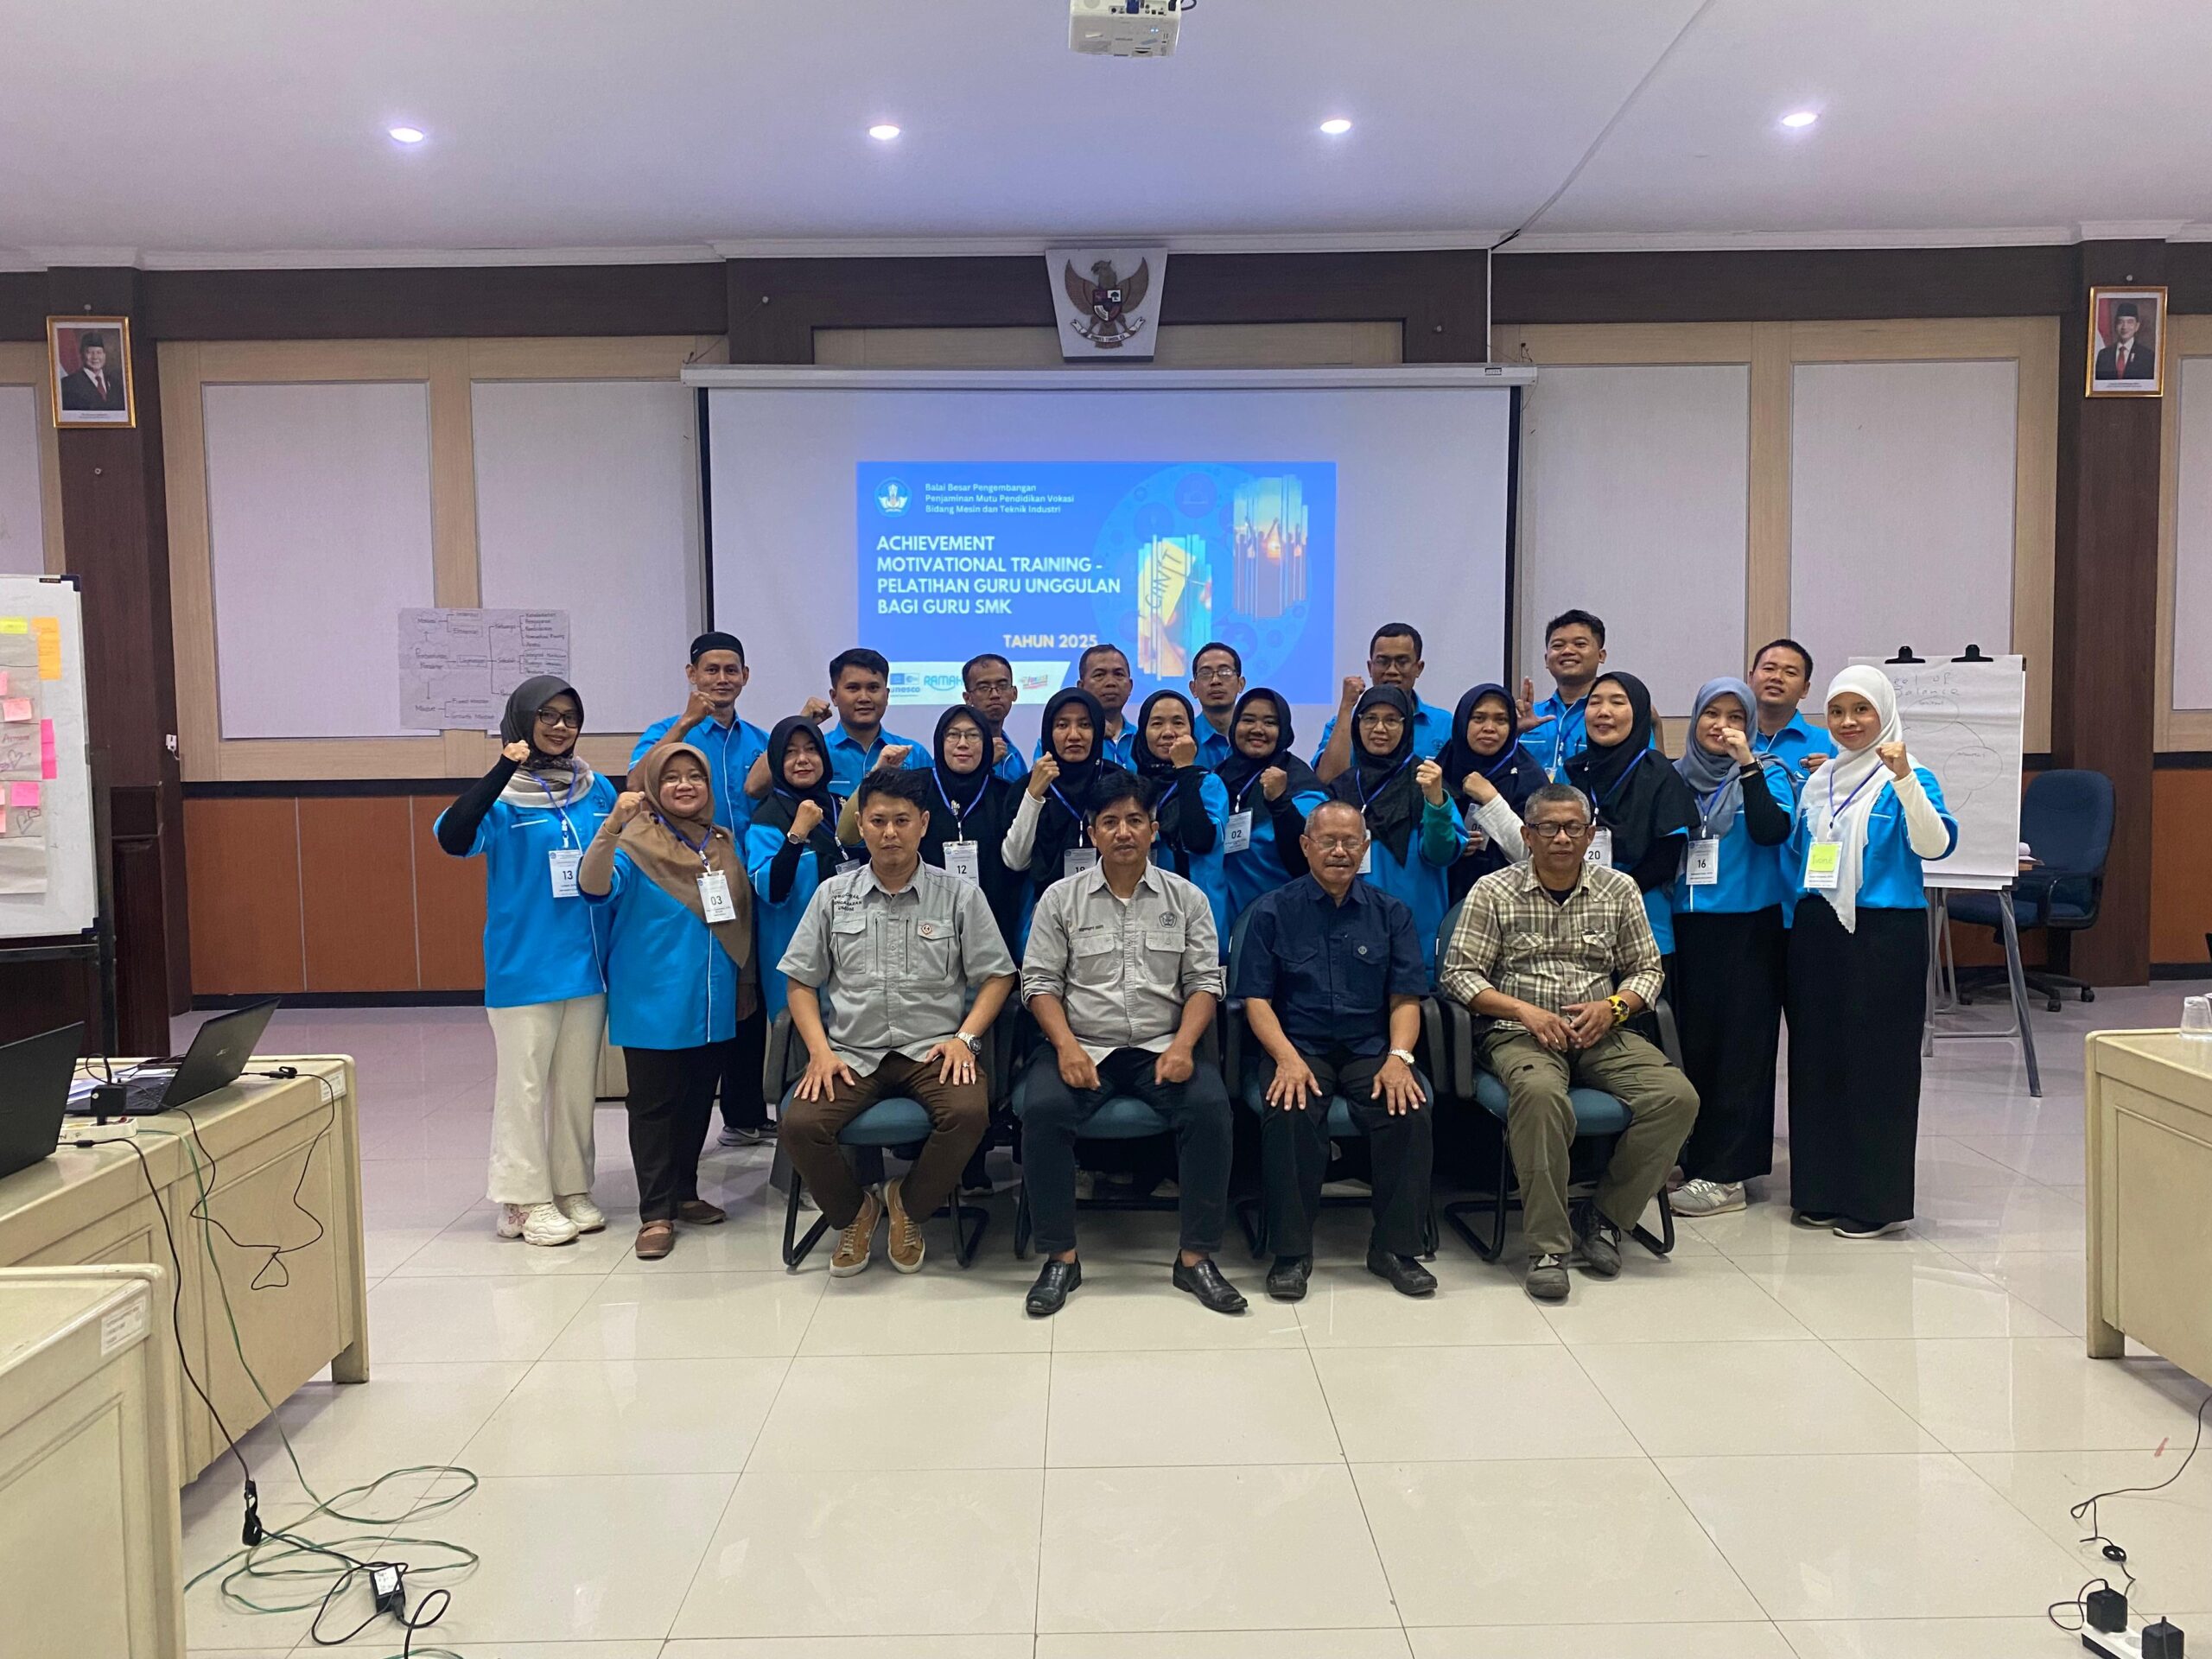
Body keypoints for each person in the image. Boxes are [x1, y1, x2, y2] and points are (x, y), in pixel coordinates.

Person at [1439, 785, 1699, 1303]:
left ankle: (1604, 1217)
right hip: (1521, 1033)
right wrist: (1523, 1010)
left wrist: (1615, 1008)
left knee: (1677, 1098)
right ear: (1527, 835)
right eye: (1549, 828)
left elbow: (1647, 970)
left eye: (1573, 828)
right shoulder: (1493, 890)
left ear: (1590, 834)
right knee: (1539, 1097)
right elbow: (1459, 976)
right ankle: (1547, 1249)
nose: (1562, 838)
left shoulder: (1619, 889)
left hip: (1603, 1030)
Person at [1017, 773, 1243, 1318]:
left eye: (1135, 820)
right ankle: (1061, 1258)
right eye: (1111, 822)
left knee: (1210, 1110)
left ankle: (1195, 1259)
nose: (1124, 832)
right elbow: (1039, 983)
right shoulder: (1060, 899)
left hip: (1162, 1045)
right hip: (1083, 1043)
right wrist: (1066, 1047)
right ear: (1092, 832)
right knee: (1044, 1111)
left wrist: (1185, 1046)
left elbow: (1203, 984)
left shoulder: (1187, 898)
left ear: (1153, 829)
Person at [778, 770, 1018, 1275]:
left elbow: (998, 975)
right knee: (800, 1124)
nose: (890, 833)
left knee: (969, 1113)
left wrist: (965, 1039)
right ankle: (855, 1213)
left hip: (932, 1050)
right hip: (851, 1051)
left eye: (902, 821)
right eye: (878, 821)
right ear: (861, 825)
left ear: (923, 824)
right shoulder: (832, 895)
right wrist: (819, 1052)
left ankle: (907, 1204)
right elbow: (800, 981)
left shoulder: (959, 895)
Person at [435, 677, 615, 1247]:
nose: (560, 726)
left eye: (570, 716)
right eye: (547, 715)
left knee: (575, 1088)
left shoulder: (595, 788)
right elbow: (452, 838)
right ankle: (522, 1199)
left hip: (586, 963)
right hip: (524, 964)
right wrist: (501, 769)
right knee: (525, 1087)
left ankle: (570, 1187)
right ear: (522, 720)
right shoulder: (503, 796)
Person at [1236, 800, 1437, 1301]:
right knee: (1289, 1108)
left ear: (1365, 847)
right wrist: (1285, 1058)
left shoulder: (1391, 913)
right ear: (1306, 846)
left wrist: (1399, 1059)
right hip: (1297, 1046)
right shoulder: (1271, 911)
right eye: (1328, 841)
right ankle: (1291, 1253)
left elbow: (1406, 999)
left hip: (1371, 1047)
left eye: (1351, 842)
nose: (1340, 852)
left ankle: (1394, 1248)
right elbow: (1256, 1000)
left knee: (1408, 1109)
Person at [1783, 667, 1955, 1240]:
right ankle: (1820, 1188)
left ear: (1884, 713)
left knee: (1879, 1064)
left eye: (1862, 710)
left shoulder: (1911, 775)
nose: (1849, 722)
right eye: (1837, 711)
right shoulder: (1820, 780)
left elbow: (1935, 844)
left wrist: (1903, 780)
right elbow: (1800, 853)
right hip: (1818, 927)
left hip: (1885, 932)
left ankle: (1876, 1201)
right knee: (1817, 1059)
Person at [579, 742, 756, 1260]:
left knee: (698, 1101)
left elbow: (741, 917)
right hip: (652, 998)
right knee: (654, 1106)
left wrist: (744, 984)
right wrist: (610, 829)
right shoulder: (633, 842)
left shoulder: (721, 842)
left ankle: (684, 1192)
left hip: (713, 996)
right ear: (654, 785)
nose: (684, 785)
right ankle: (655, 1212)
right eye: (672, 777)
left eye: (694, 777)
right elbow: (594, 887)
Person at [632, 632, 773, 1148]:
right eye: (711, 670)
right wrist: (686, 724)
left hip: (749, 878)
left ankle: (745, 1114)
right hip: (685, 881)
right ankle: (696, 1110)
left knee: (748, 993)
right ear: (692, 675)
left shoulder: (759, 739)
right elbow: (636, 784)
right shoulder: (665, 732)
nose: (721, 679)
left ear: (745, 677)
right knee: (707, 984)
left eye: (731, 670)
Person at [1666, 678, 1798, 1219]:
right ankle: (1693, 1157)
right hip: (1685, 926)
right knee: (1692, 1046)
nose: (1721, 726)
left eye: (1735, 717)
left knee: (1740, 1051)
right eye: (1711, 715)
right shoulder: (1675, 776)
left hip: (1748, 927)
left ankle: (1728, 1174)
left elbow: (1771, 831)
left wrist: (1748, 765)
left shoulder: (1770, 773)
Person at [1327, 685, 1461, 976]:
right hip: (1347, 924)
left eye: (1391, 720)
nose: (1380, 729)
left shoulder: (1428, 781)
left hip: (1414, 929)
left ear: (1407, 726)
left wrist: (1435, 802)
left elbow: (1440, 854)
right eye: (1370, 719)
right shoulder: (1343, 786)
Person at [1565, 671, 1699, 962]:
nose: (1604, 712)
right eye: (1595, 702)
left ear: (1638, 713)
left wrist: (1610, 895)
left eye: (1617, 702)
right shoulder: (1573, 771)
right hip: (1576, 921)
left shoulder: (1659, 773)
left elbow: (1665, 859)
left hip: (1642, 921)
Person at [747, 718, 847, 1024]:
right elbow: (771, 890)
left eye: (811, 749)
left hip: (850, 952)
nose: (802, 759)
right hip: (796, 956)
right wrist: (797, 834)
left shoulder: (841, 807)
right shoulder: (767, 817)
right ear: (777, 761)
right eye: (790, 752)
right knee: (800, 1044)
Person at [1214, 688, 1327, 927]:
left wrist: (1279, 802)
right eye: (1248, 720)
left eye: (1270, 722)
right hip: (1221, 919)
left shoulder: (1300, 783)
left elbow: (1305, 859)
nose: (1258, 729)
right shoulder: (1219, 777)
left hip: (1282, 920)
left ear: (1283, 730)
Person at [1002, 687, 1109, 942]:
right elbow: (1015, 860)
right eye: (1062, 725)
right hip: (1046, 917)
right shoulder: (1027, 786)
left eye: (1085, 725)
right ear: (1048, 733)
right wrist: (1033, 795)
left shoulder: (1115, 782)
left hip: (1109, 911)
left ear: (1097, 731)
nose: (1074, 735)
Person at [1132, 689, 1231, 948]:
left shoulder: (1208, 784)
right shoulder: (1132, 788)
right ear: (1143, 732)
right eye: (1157, 724)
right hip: (1142, 917)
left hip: (1198, 921)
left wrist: (1185, 770)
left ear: (1191, 731)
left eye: (1178, 723)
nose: (1168, 732)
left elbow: (1200, 840)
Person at [1437, 683, 1548, 904]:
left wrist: (1491, 799)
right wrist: (1453, 845)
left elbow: (1536, 855)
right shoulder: (1444, 766)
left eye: (1501, 720)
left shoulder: (1529, 775)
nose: (1489, 728)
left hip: (1512, 901)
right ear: (1462, 722)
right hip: (1444, 896)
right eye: (1478, 718)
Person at [1313, 624, 1453, 781]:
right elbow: (1327, 781)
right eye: (1382, 662)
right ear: (1370, 667)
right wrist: (1346, 707)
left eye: (1402, 662)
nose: (1392, 671)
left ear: (1418, 668)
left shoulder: (1444, 725)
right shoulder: (1344, 722)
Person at [821, 648, 930, 798]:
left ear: (887, 695)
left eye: (873, 688)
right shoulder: (818, 753)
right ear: (834, 697)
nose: (864, 698)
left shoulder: (915, 755)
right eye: (853, 688)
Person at [1746, 638, 1836, 780]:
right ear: (1750, 679)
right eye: (1769, 669)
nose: (1777, 677)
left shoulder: (1830, 745)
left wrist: (1832, 779)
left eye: (1790, 673)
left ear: (1805, 689)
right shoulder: (1728, 739)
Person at [1032, 645, 1136, 767]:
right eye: (1099, 675)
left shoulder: (1142, 738)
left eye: (1118, 674)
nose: (1110, 683)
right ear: (1081, 687)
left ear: (1130, 686)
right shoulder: (1056, 743)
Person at [962, 652, 1029, 784]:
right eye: (984, 688)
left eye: (1002, 686)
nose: (995, 694)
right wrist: (985, 763)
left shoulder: (1014, 755)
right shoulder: (957, 748)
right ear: (968, 698)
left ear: (1014, 693)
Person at [1188, 641, 1247, 768]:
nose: (1215, 681)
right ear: (1193, 688)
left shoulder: (1254, 736)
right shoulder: (1184, 737)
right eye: (1205, 673)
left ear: (1241, 684)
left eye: (1225, 672)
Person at [60, 333, 128, 412]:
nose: (95, 357)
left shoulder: (116, 383)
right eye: (90, 352)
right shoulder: (68, 384)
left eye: (99, 352)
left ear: (104, 355)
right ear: (81, 355)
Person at [2095, 302, 2154, 383]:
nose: (2124, 327)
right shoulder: (2103, 355)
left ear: (2137, 326)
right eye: (2120, 322)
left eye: (2130, 322)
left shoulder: (2147, 356)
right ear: (2115, 325)